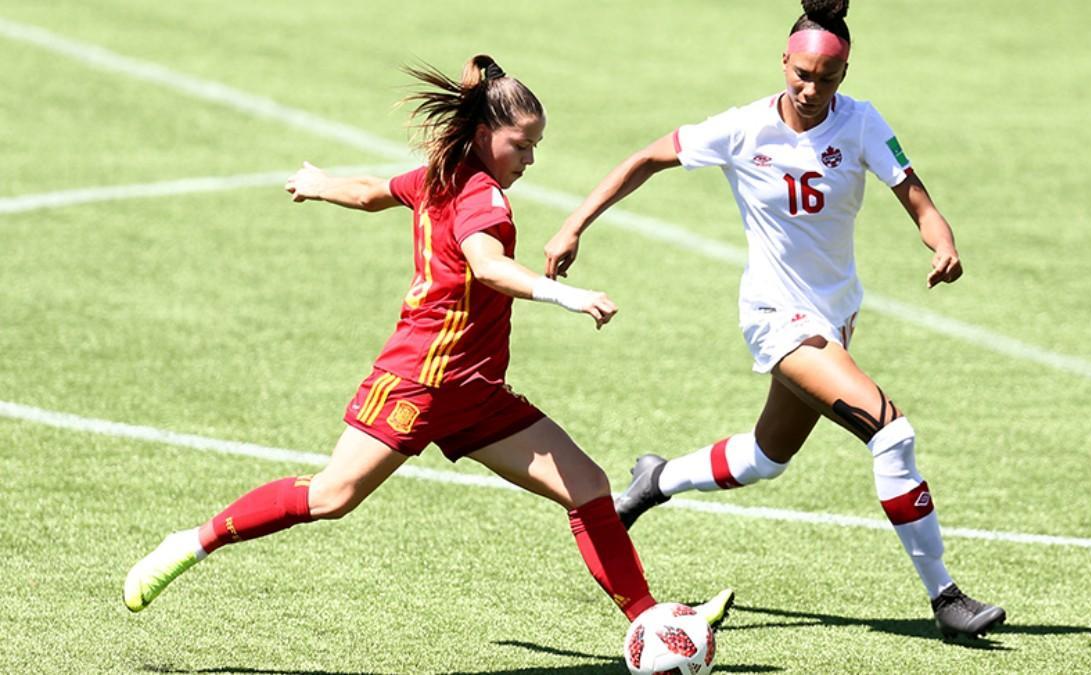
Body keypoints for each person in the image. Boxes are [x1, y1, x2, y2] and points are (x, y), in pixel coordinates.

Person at [123, 55, 733, 632]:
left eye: (535, 147)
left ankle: (653, 622)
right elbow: (488, 266)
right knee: (331, 496)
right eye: (521, 145)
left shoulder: (442, 175)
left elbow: (368, 192)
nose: (529, 159)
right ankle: (192, 543)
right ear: (485, 134)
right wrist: (566, 297)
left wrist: (320, 182)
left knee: (588, 487)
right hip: (419, 380)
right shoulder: (481, 196)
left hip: (474, 393)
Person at [543, 1, 1005, 639]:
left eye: (828, 78)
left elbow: (919, 200)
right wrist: (573, 226)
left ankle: (656, 480)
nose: (812, 90)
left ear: (845, 73)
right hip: (775, 317)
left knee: (767, 456)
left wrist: (942, 242)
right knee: (891, 435)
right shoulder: (742, 129)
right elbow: (644, 160)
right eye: (802, 75)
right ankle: (946, 598)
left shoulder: (863, 124)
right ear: (783, 62)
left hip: (836, 314)